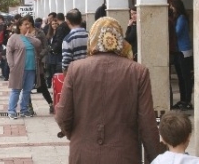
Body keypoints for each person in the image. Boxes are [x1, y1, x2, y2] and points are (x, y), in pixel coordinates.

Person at [55, 17, 162, 163]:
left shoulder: (76, 69)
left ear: (92, 38)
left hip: (83, 154)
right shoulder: (137, 71)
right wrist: (155, 158)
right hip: (124, 155)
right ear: (119, 38)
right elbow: (147, 123)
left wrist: (77, 135)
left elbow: (62, 115)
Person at [5, 16, 42, 119]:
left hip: (31, 68)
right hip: (18, 68)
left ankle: (24, 109)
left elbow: (39, 44)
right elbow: (8, 52)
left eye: (29, 24)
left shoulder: (30, 38)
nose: (28, 26)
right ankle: (11, 110)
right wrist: (12, 65)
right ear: (19, 26)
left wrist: (28, 36)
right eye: (25, 24)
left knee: (27, 90)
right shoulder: (14, 38)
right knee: (16, 90)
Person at [170, 0, 194, 111]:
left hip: (184, 51)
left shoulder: (182, 18)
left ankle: (187, 100)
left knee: (186, 77)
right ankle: (182, 99)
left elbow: (177, 32)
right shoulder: (177, 18)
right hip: (178, 51)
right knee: (180, 77)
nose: (171, 8)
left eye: (172, 6)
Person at [0, 14, 11, 81]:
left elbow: (1, 36)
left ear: (0, 19)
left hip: (2, 44)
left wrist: (0, 43)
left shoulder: (2, 26)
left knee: (4, 59)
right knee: (3, 59)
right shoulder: (1, 26)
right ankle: (4, 74)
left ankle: (5, 74)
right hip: (2, 44)